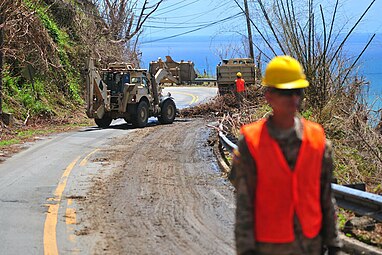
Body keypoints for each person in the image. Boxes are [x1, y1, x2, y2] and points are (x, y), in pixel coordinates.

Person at [231, 55, 343, 255]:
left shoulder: (317, 139)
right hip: (269, 247)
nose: (293, 98)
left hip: (311, 245)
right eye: (286, 92)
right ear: (269, 96)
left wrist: (334, 244)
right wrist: (245, 250)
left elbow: (325, 195)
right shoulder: (251, 141)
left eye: (297, 92)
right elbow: (244, 204)